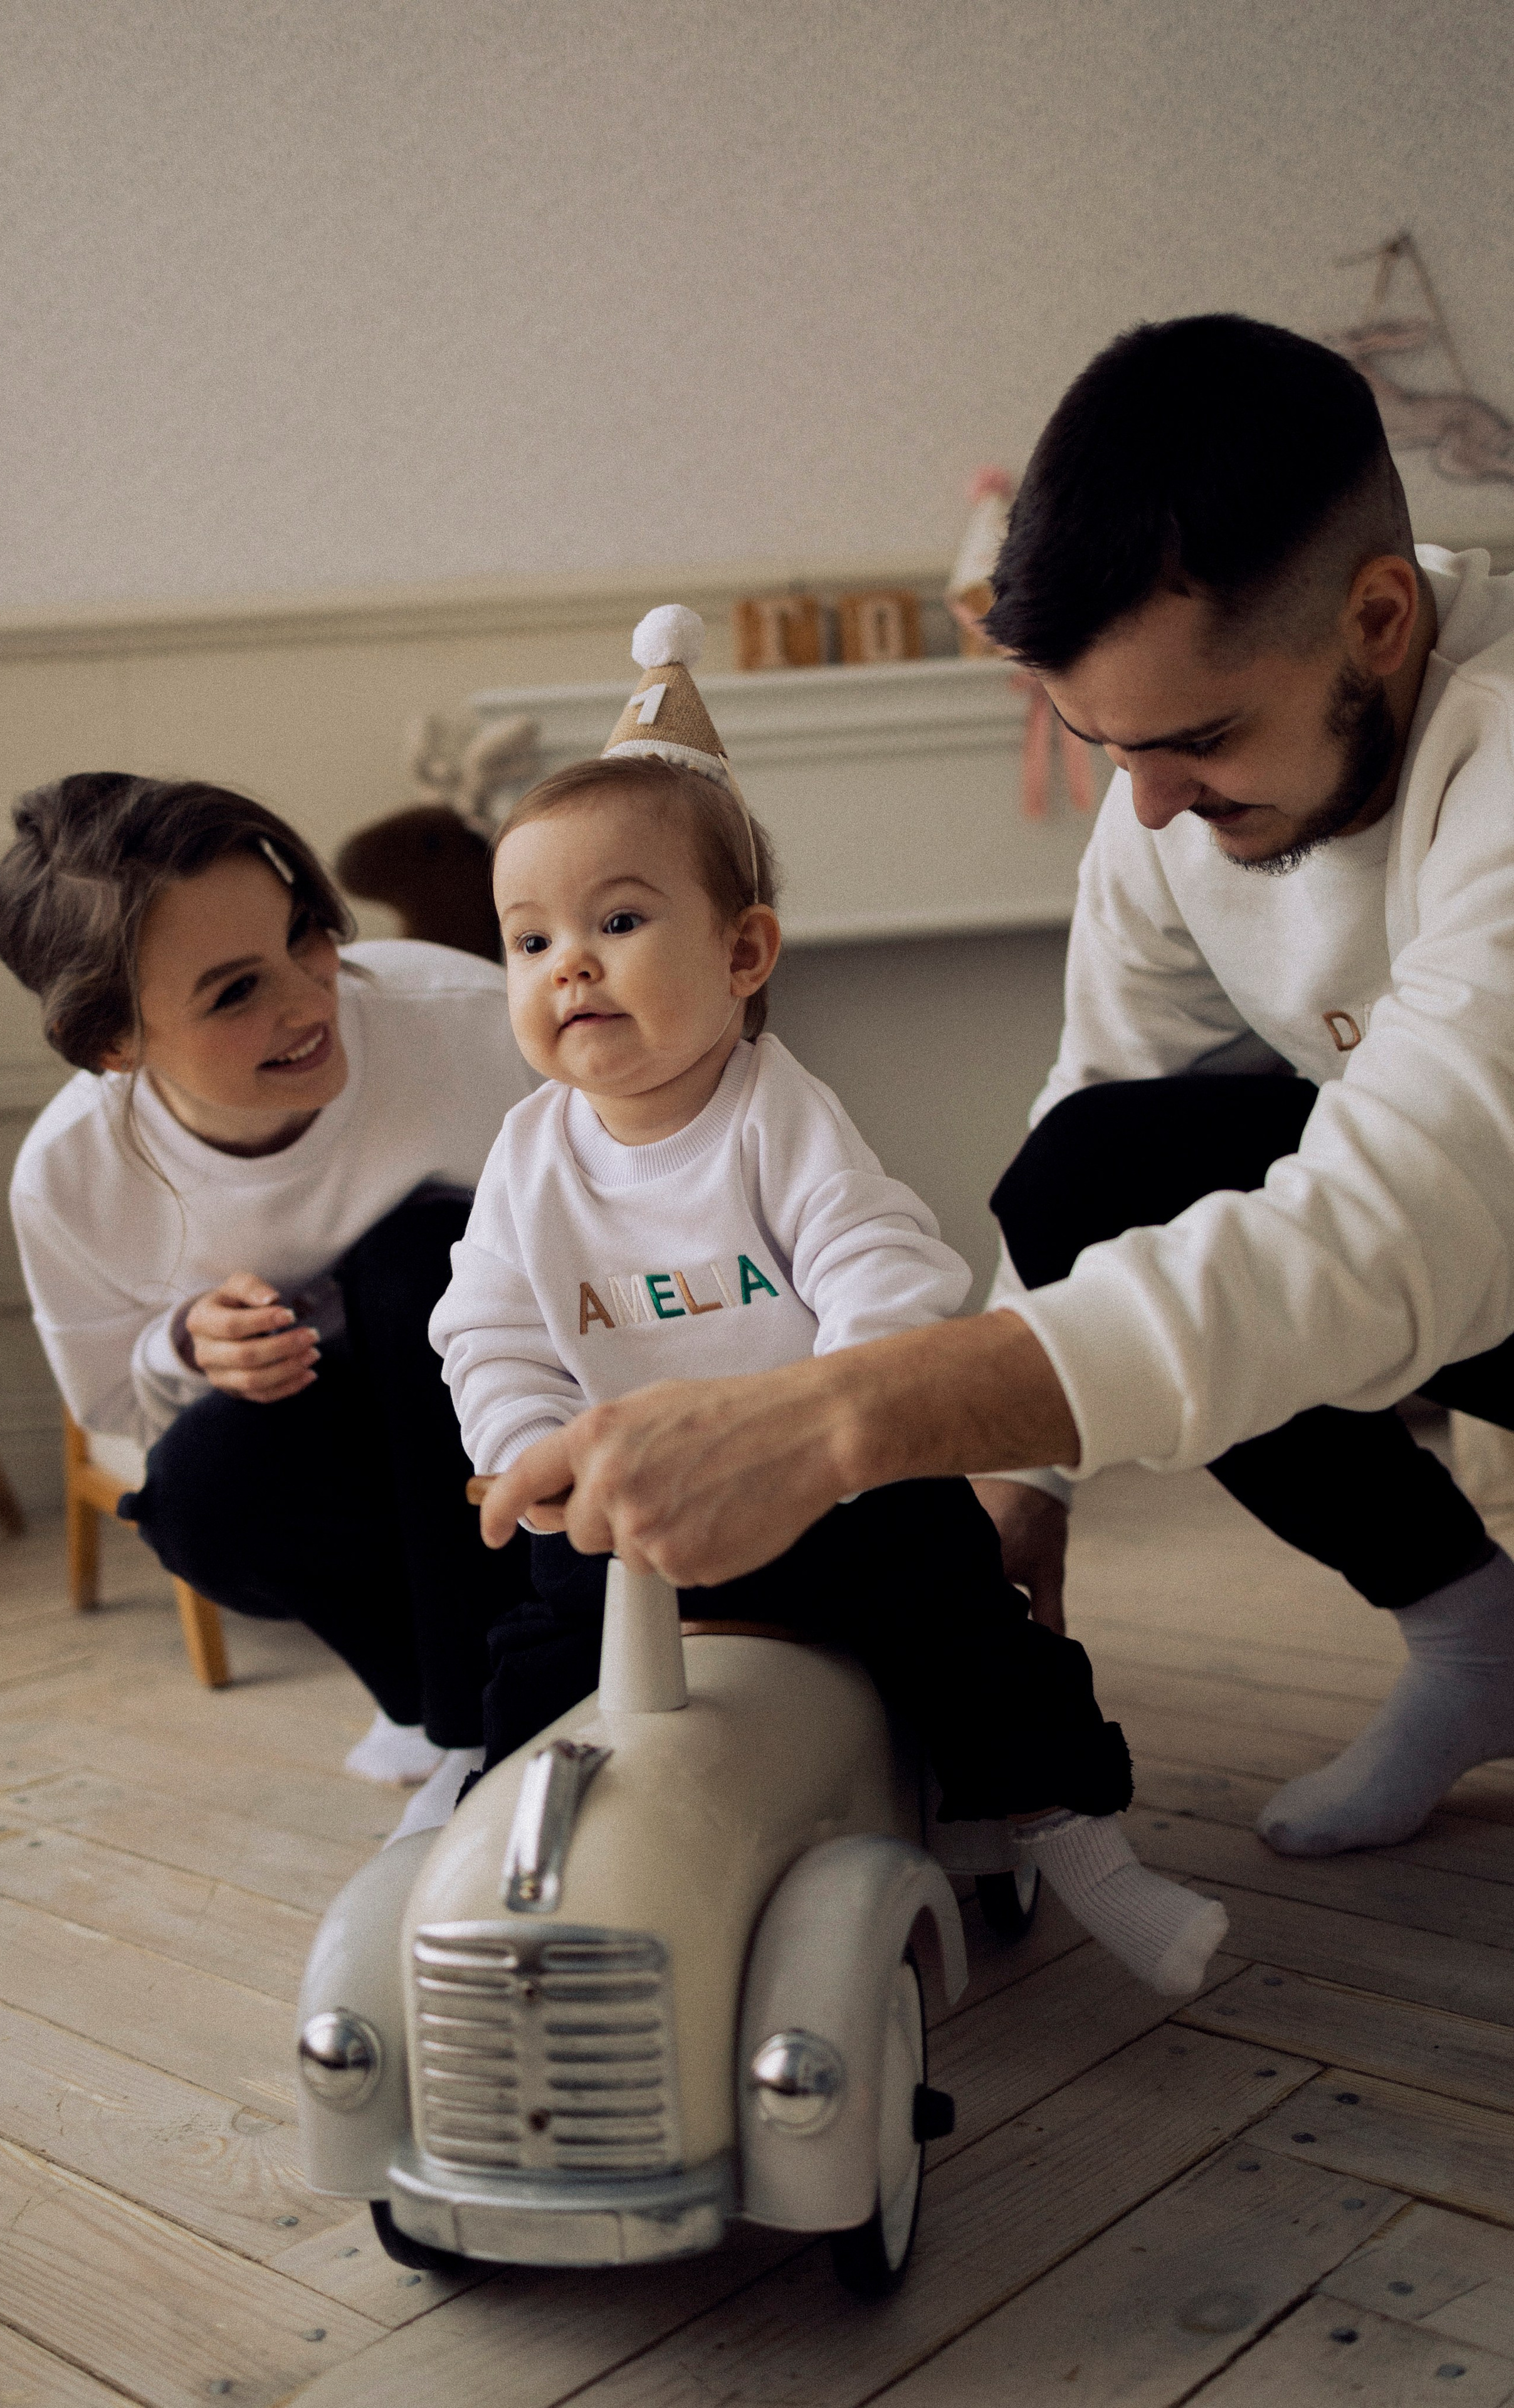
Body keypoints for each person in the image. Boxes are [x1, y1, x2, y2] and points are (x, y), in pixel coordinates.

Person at [478, 317, 1514, 1865]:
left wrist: (835, 1423)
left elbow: (1397, 1230)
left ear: (1376, 619)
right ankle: (1475, 1643)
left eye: (1196, 738)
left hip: (1478, 1227)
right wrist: (1017, 1485)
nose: (1149, 804)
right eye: (1104, 747)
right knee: (1087, 1171)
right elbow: (1100, 1105)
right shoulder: (1160, 800)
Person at [435, 606, 1228, 1995]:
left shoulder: (769, 1118)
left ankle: (1075, 1839)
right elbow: (486, 1323)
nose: (567, 962)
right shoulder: (525, 1156)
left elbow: (882, 1266)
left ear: (743, 955)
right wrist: (524, 1446)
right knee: (514, 1665)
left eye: (618, 921)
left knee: (964, 1619)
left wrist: (831, 1419)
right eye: (527, 939)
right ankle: (500, 1859)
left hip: (824, 1494)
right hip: (625, 1514)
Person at [0, 772, 533, 1788]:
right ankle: (429, 1702)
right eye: (236, 991)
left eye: (305, 934)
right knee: (195, 1494)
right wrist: (187, 1341)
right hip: (341, 1466)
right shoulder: (70, 1176)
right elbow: (112, 1404)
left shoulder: (472, 1024)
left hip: (524, 1407)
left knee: (419, 1259)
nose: (308, 997)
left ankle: (483, 1724)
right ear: (113, 1045)